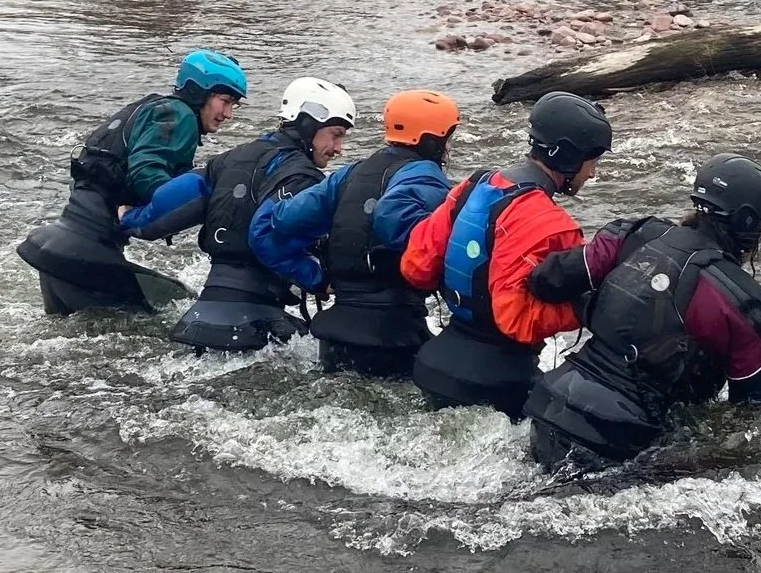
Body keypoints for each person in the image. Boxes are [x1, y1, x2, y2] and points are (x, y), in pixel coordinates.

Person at [522, 153, 761, 469]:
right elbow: (757, 410)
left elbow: (546, 280)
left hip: (547, 405)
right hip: (619, 439)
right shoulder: (743, 300)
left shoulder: (631, 234)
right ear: (748, 224)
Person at [400, 91, 612, 419]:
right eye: (593, 162)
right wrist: (587, 308)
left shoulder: (473, 185)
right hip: (499, 382)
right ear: (570, 158)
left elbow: (416, 267)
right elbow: (516, 320)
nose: (593, 174)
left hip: (435, 361)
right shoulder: (554, 226)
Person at [122, 77, 356, 351]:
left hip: (199, 317)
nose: (339, 148)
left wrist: (129, 219)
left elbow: (167, 208)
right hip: (255, 323)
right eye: (336, 134)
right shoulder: (302, 178)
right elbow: (264, 237)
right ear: (308, 123)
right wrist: (320, 280)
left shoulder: (231, 158)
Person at [16, 50, 247, 316]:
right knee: (173, 315)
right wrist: (173, 206)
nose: (228, 113)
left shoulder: (149, 107)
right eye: (225, 101)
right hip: (88, 256)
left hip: (57, 246)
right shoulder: (180, 116)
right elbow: (146, 173)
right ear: (200, 92)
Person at [248, 90, 460, 377]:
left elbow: (275, 225)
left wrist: (317, 280)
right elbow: (405, 225)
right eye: (448, 138)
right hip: (395, 337)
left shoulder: (349, 174)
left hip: (334, 337)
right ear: (433, 140)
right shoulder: (427, 177)